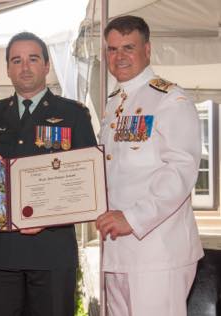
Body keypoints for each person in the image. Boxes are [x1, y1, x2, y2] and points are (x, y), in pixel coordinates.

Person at [0, 32, 97, 316]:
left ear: (47, 65)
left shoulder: (73, 115)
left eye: (33, 59)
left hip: (51, 249)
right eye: (17, 60)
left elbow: (88, 184)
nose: (25, 67)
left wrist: (48, 218)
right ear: (8, 69)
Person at [95, 15, 203, 316]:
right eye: (112, 49)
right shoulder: (113, 103)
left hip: (157, 250)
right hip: (117, 248)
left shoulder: (170, 99)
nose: (119, 57)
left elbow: (181, 170)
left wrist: (133, 217)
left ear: (148, 49)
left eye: (128, 47)